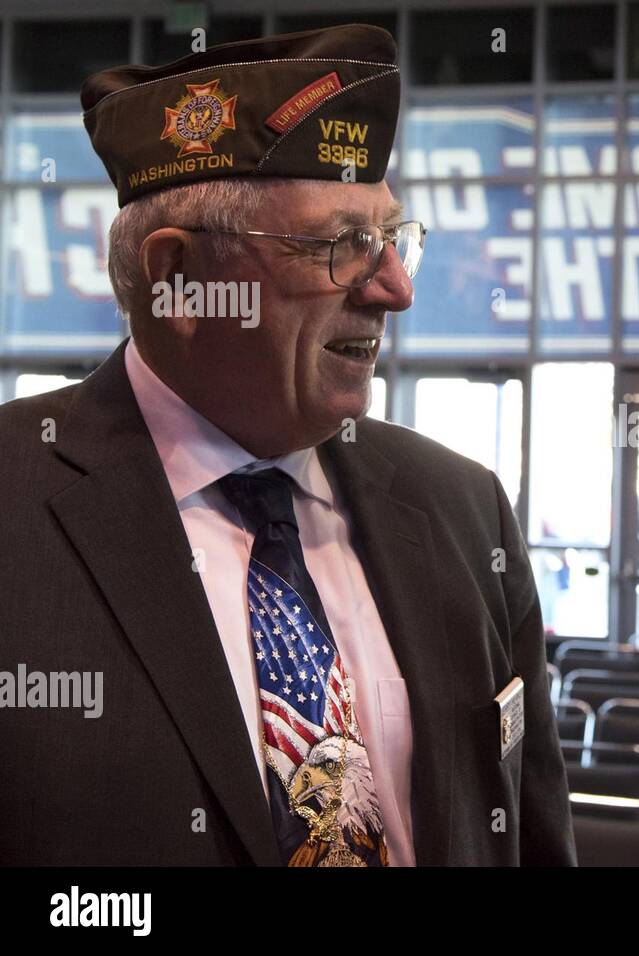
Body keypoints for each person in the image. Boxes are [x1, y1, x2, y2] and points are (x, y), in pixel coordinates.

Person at [0, 25, 574, 866]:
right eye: (341, 246)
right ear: (179, 281)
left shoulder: (462, 507)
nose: (395, 289)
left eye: (391, 239)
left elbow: (527, 833)